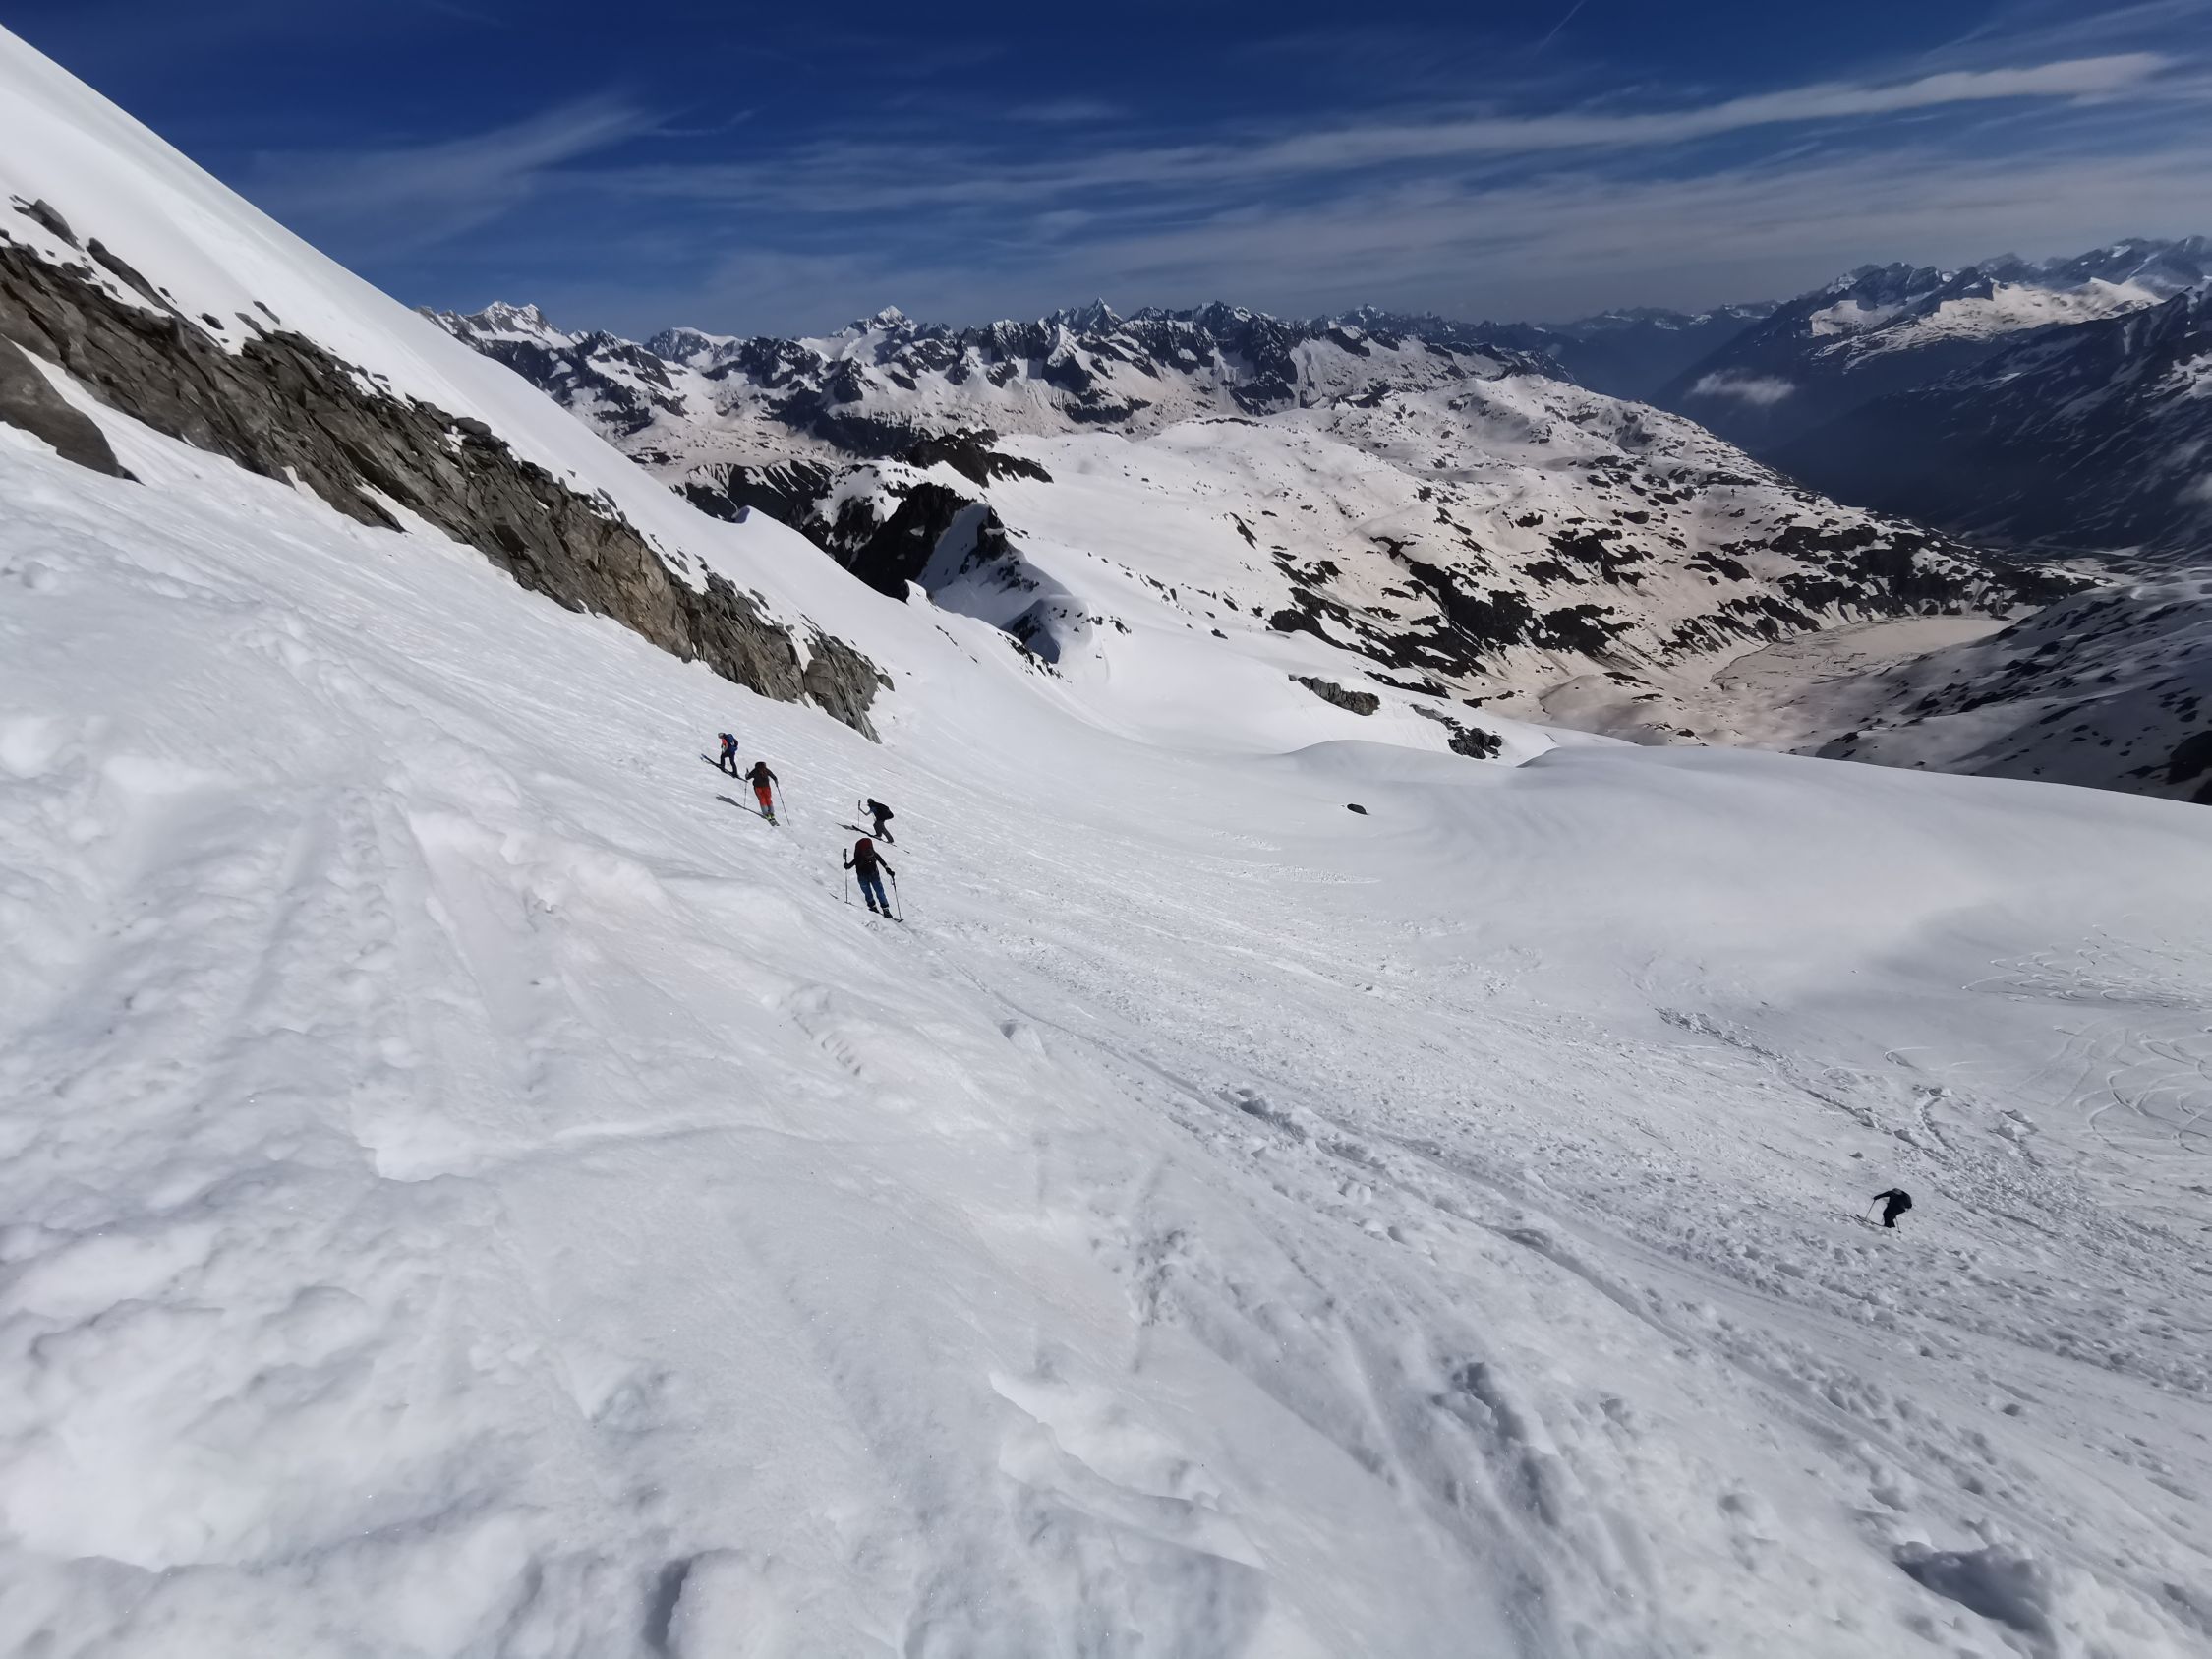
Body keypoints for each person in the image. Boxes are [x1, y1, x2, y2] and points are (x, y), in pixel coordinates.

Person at [844, 836, 895, 916]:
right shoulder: (861, 856)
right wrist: (887, 869)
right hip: (868, 876)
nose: (869, 855)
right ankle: (880, 908)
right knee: (876, 892)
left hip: (868, 876)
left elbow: (849, 866)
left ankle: (877, 907)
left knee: (874, 892)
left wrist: (887, 869)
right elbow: (881, 861)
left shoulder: (868, 854)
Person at [745, 759, 779, 824]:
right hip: (766, 787)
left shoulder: (755, 770)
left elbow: (747, 778)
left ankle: (766, 813)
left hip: (758, 787)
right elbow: (773, 776)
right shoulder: (765, 770)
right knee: (767, 799)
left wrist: (747, 774)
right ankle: (771, 812)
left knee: (762, 799)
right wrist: (776, 781)